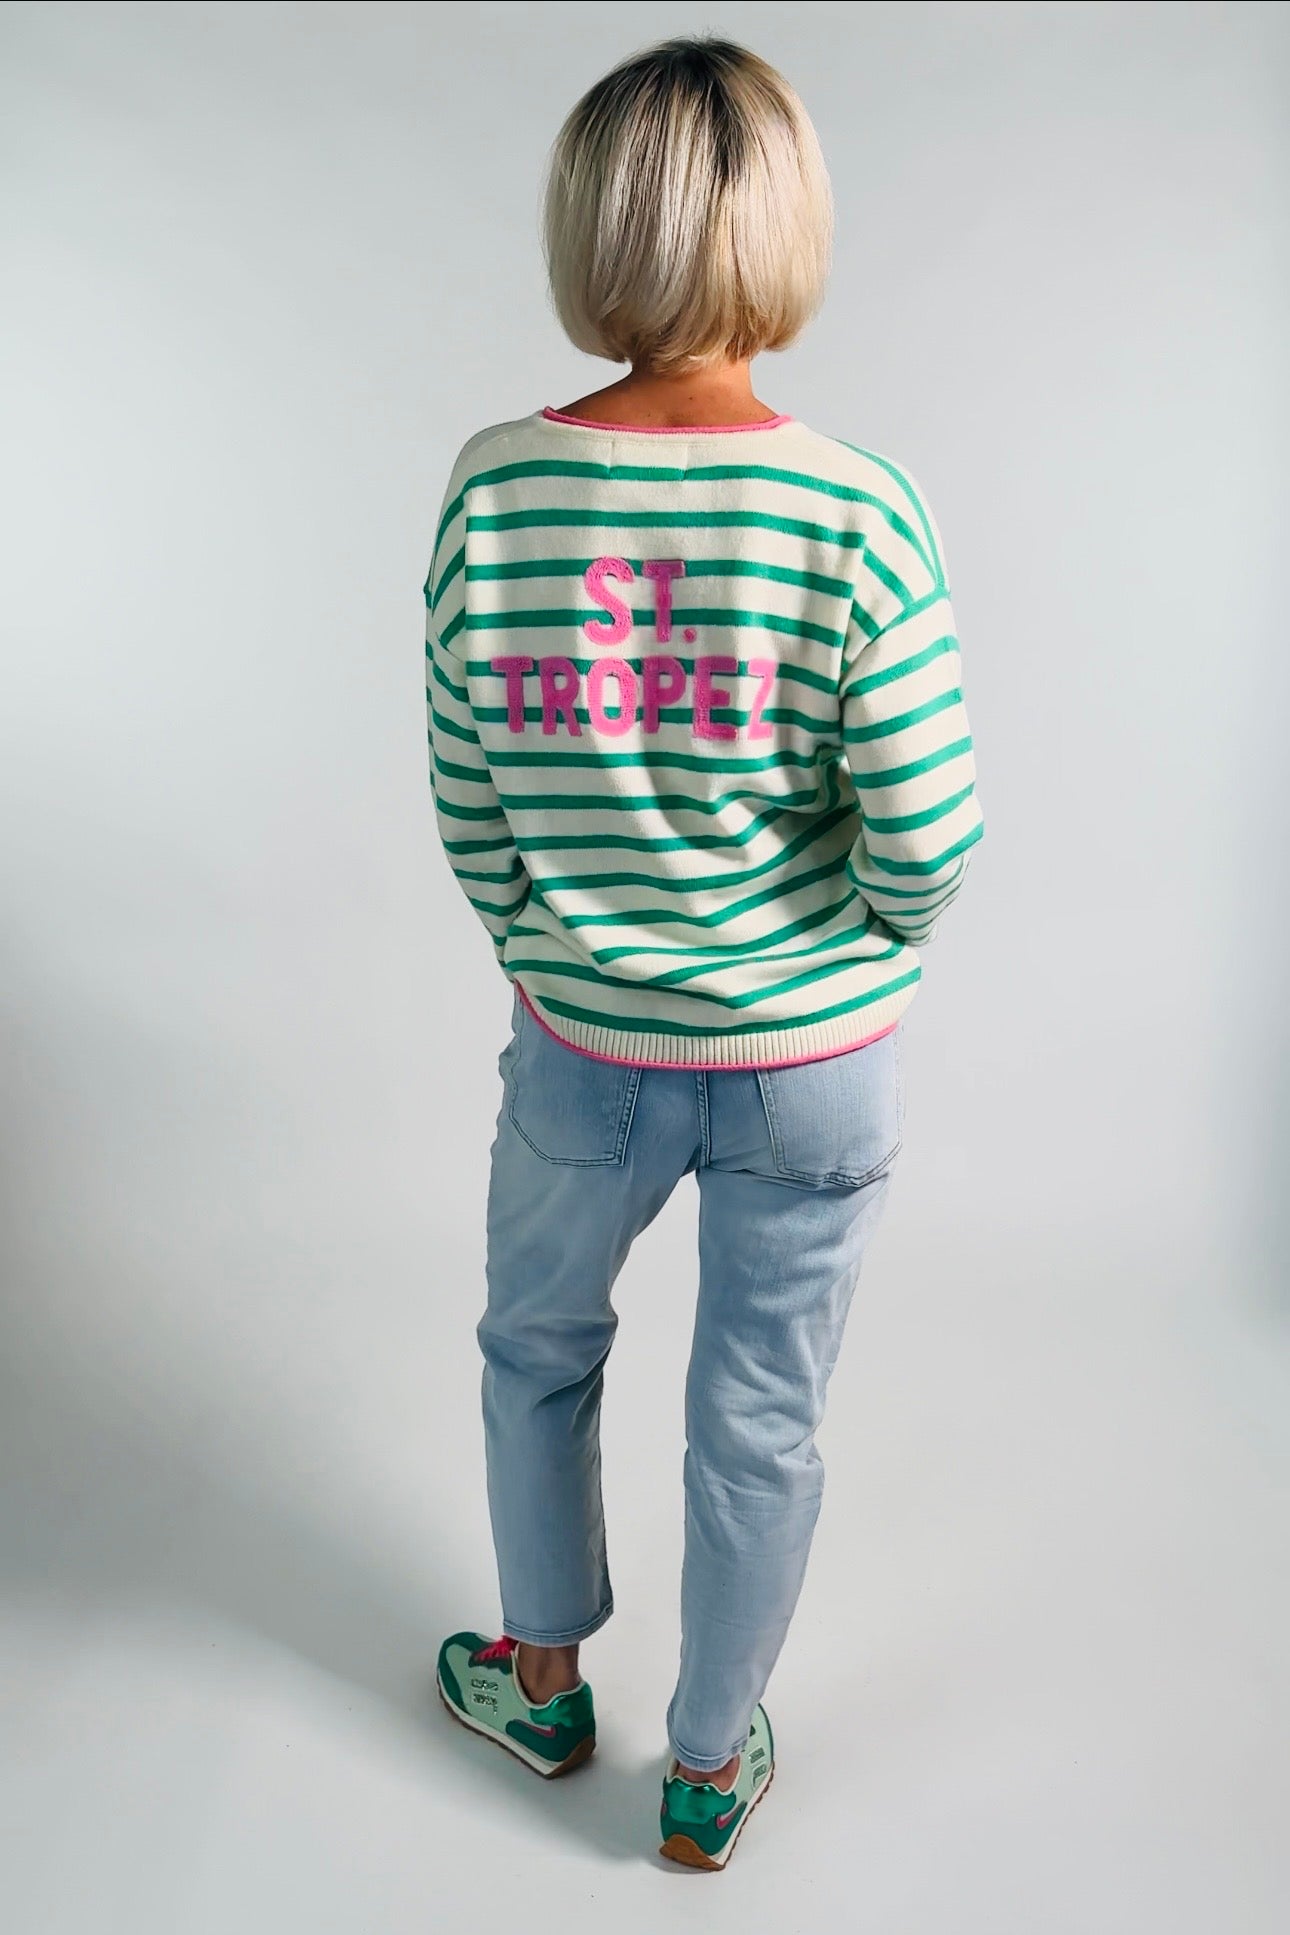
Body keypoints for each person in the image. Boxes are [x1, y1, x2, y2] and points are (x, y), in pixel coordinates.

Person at [424, 33, 984, 1871]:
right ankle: (705, 1762)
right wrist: (846, 956)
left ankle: (536, 1680)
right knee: (761, 1415)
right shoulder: (856, 508)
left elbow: (468, 798)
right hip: (810, 1068)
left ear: (591, 225)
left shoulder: (495, 490)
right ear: (784, 227)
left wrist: (548, 946)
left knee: (535, 1348)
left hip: (581, 1050)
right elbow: (929, 834)